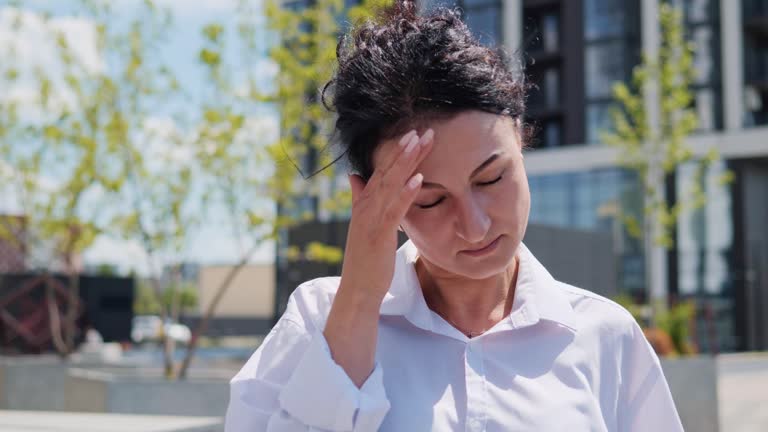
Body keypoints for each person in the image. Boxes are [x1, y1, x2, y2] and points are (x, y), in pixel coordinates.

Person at [225, 2, 684, 431]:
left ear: (522, 141)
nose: (476, 226)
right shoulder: (318, 320)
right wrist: (361, 301)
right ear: (371, 198)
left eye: (491, 179)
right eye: (430, 200)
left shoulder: (605, 336)